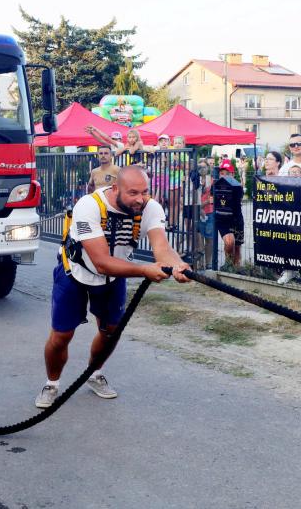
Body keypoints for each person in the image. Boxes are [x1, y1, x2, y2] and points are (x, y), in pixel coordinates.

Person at [36, 166, 189, 408]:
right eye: (133, 193)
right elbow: (101, 263)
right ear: (116, 188)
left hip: (114, 277)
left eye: (144, 192)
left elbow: (161, 247)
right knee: (61, 336)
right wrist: (144, 270)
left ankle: (94, 373)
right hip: (75, 272)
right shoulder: (89, 205)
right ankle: (51, 384)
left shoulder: (150, 207)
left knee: (111, 331)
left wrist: (178, 265)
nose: (140, 199)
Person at [214, 160, 244, 265]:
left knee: (237, 248)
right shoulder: (216, 185)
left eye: (227, 173)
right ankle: (228, 265)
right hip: (222, 220)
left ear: (232, 174)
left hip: (237, 219)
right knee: (229, 242)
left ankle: (235, 268)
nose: (224, 176)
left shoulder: (238, 187)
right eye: (222, 173)